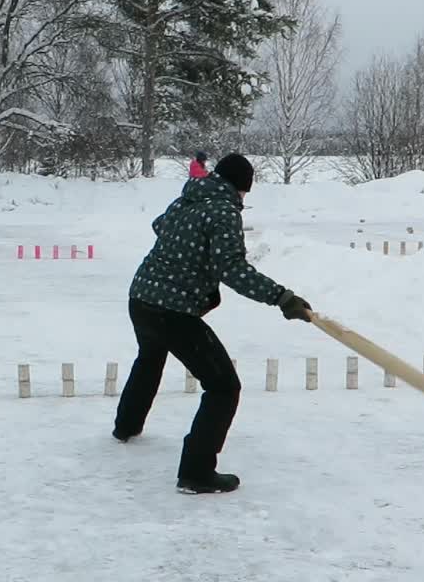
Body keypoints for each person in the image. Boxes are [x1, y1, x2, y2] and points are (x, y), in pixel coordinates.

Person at [113, 153, 312, 494]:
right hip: (171, 309)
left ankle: (126, 426)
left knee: (150, 356)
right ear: (241, 187)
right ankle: (196, 472)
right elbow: (232, 268)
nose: (244, 200)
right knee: (223, 387)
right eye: (245, 193)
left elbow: (159, 225)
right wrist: (281, 297)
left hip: (142, 297)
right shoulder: (223, 210)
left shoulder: (189, 196)